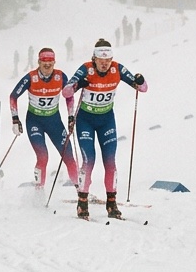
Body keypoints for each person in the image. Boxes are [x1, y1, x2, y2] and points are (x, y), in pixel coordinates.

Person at [60, 39, 147, 220]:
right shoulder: (86, 69)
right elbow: (66, 92)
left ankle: (112, 204)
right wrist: (78, 85)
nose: (105, 64)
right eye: (101, 61)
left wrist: (140, 80)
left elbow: (143, 88)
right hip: (85, 120)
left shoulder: (117, 69)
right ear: (94, 59)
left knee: (110, 161)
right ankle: (82, 204)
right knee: (89, 160)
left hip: (106, 120)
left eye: (107, 61)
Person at [10, 47, 78, 195]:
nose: (47, 65)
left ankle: (81, 192)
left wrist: (71, 117)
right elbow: (13, 96)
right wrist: (15, 119)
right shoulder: (31, 77)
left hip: (54, 122)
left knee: (69, 156)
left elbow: (70, 96)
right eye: (44, 61)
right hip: (35, 122)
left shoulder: (61, 77)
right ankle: (39, 191)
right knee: (42, 156)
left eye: (50, 61)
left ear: (54, 62)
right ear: (39, 62)